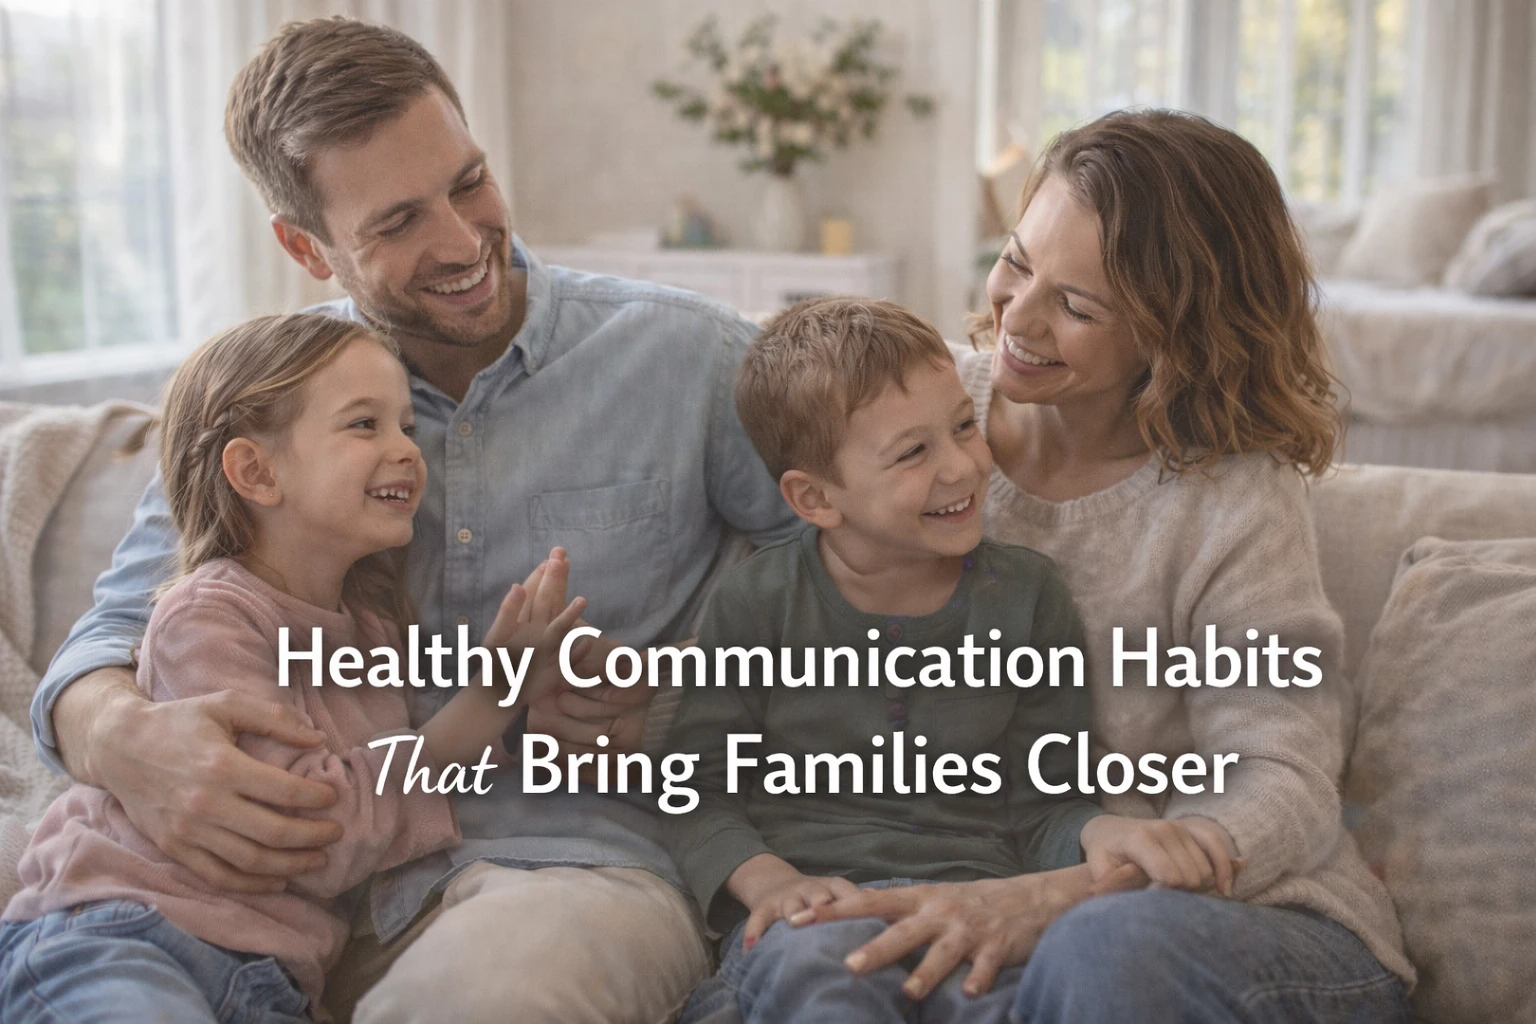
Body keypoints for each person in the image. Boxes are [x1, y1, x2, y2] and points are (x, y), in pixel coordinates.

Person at [29, 17, 796, 1024]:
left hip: (565, 867)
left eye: (468, 181)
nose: (462, 240)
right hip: (280, 911)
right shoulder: (274, 399)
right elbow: (112, 637)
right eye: (395, 223)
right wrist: (127, 738)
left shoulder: (689, 359)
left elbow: (852, 594)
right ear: (306, 247)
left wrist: (666, 707)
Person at [787, 111, 1415, 1021]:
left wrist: (1071, 892)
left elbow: (1284, 777)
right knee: (810, 952)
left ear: (1179, 335)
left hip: (1234, 921)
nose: (1019, 317)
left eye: (1078, 307)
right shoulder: (913, 407)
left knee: (1101, 947)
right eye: (1016, 260)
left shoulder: (1230, 495)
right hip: (982, 899)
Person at [1, 314, 588, 1021]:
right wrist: (488, 699)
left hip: (271, 982)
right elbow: (308, 834)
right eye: (364, 425)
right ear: (257, 471)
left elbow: (392, 785)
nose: (407, 451)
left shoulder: (370, 634)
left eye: (406, 425)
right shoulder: (207, 617)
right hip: (122, 934)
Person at [668, 298, 1236, 1024]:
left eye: (963, 426)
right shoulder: (758, 602)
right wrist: (771, 882)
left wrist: (1102, 831)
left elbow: (1046, 801)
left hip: (975, 909)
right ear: (815, 498)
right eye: (913, 452)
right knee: (821, 981)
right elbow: (694, 793)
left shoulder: (1028, 597)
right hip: (818, 915)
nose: (963, 466)